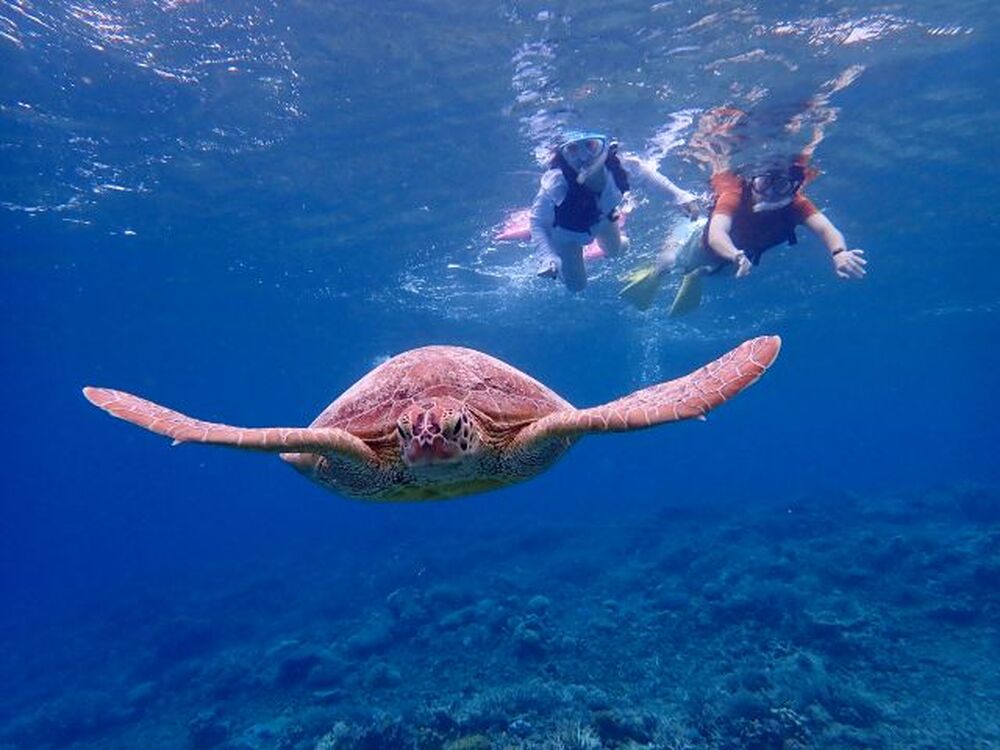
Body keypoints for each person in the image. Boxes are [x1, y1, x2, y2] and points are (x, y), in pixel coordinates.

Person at [620, 100, 868, 314]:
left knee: (716, 271)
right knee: (670, 262)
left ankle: (698, 274)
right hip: (703, 243)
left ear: (793, 186)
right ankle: (658, 271)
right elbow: (716, 234)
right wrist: (735, 254)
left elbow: (827, 230)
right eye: (763, 184)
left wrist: (839, 253)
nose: (770, 193)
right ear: (751, 181)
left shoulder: (795, 204)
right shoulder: (734, 193)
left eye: (780, 185)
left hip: (738, 258)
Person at [530, 131, 700, 292]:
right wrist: (548, 257)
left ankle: (610, 243)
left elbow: (651, 180)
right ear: (563, 155)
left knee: (616, 252)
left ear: (604, 147)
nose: (583, 157)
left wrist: (681, 197)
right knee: (576, 286)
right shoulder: (556, 183)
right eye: (572, 149)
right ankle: (575, 255)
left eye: (590, 146)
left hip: (604, 220)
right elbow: (537, 222)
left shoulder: (621, 167)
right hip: (566, 234)